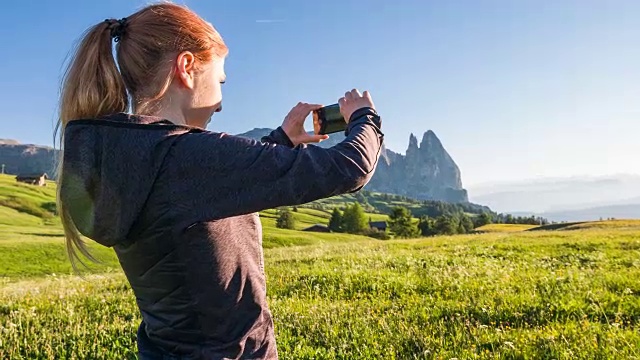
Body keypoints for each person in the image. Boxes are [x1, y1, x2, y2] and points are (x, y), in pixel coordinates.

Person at [56, 3, 383, 359]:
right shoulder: (183, 156)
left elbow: (203, 195)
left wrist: (283, 140)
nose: (221, 103)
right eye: (220, 80)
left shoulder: (134, 159)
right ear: (186, 68)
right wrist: (364, 116)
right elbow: (350, 168)